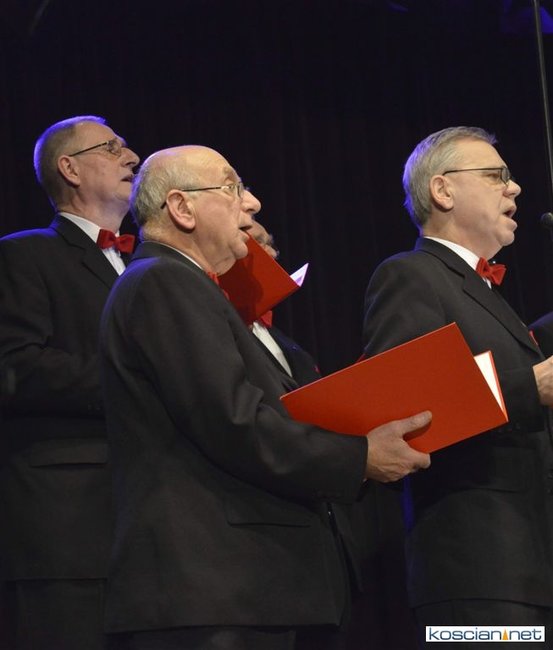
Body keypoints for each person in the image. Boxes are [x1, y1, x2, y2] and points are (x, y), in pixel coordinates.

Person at [99, 144, 431, 650]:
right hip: (209, 589)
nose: (252, 203)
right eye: (232, 187)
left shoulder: (179, 283)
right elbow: (234, 421)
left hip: (236, 587)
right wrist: (360, 456)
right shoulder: (165, 280)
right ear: (182, 208)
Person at [362, 126, 553, 647]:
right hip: (477, 573)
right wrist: (530, 385)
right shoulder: (410, 275)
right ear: (443, 190)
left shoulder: (483, 290)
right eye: (496, 176)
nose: (514, 188)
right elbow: (405, 409)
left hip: (527, 570)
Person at [0, 115, 139, 650]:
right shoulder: (23, 254)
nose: (132, 157)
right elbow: (15, 366)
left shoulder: (143, 264)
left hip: (150, 522)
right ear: (70, 169)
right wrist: (136, 383)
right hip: (69, 523)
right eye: (112, 147)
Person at [248, 219, 320, 385]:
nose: (273, 253)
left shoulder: (279, 336)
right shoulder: (224, 326)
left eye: (271, 244)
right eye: (259, 242)